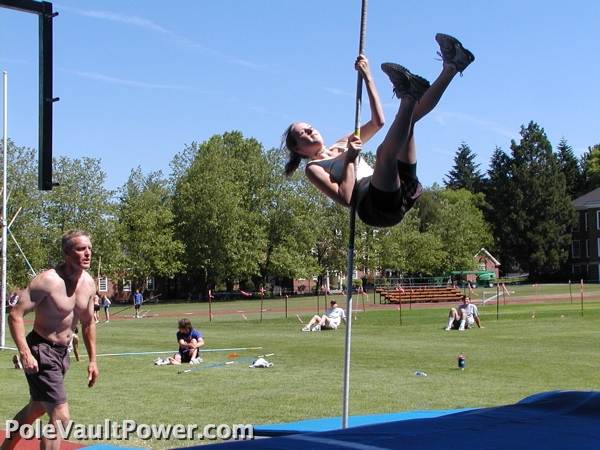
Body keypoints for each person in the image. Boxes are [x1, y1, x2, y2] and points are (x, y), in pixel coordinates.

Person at [282, 34, 474, 228]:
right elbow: (346, 198)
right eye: (303, 133)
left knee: (408, 121)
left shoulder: (342, 142)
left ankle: (452, 65)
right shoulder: (314, 168)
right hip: (374, 207)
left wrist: (368, 77)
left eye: (309, 127)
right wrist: (350, 158)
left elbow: (377, 122)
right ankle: (408, 96)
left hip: (397, 187)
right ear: (298, 149)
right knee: (384, 153)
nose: (310, 130)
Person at [2, 229, 98, 450]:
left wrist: (93, 360)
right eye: (80, 249)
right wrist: (25, 353)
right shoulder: (47, 281)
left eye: (89, 248)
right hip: (41, 350)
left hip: (62, 353)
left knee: (36, 408)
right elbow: (15, 315)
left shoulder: (89, 284)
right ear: (66, 253)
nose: (87, 253)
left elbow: (88, 323)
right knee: (60, 416)